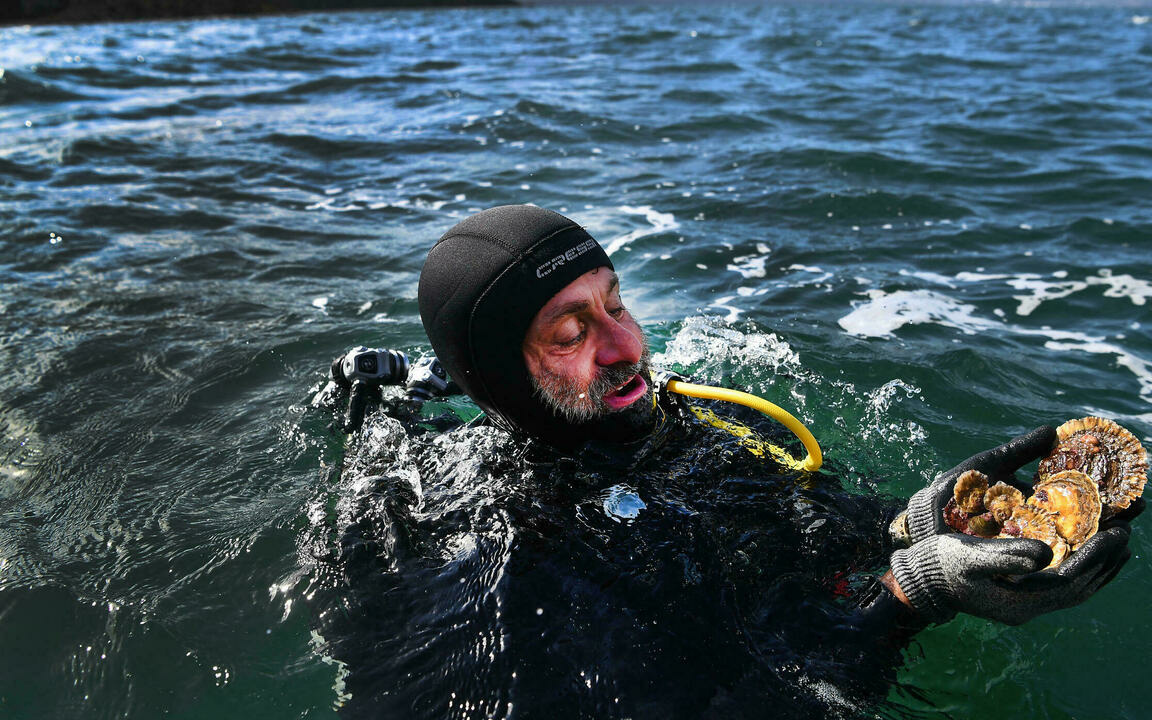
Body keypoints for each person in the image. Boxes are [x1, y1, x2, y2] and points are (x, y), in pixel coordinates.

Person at [313, 205, 1139, 719]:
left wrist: (920, 530)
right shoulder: (501, 556)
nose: (627, 344)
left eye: (617, 302)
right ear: (496, 382)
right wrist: (905, 601)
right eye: (570, 333)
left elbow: (805, 547)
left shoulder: (687, 425)